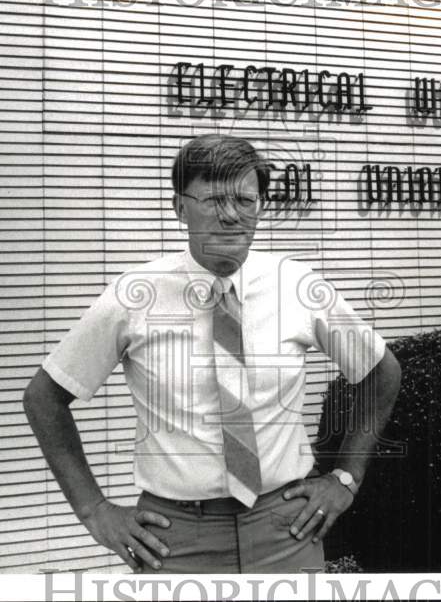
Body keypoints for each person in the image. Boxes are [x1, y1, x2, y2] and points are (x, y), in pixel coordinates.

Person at [23, 134, 402, 573]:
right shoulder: (133, 296)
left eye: (245, 199)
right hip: (175, 539)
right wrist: (94, 510)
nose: (230, 216)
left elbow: (381, 370)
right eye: (212, 200)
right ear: (180, 208)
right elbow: (44, 398)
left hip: (287, 530)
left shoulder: (298, 287)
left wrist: (345, 478)